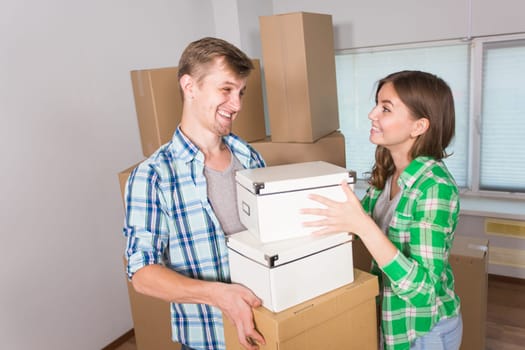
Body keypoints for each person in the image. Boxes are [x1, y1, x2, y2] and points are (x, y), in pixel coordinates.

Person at [123, 37, 266, 350]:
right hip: (209, 337)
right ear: (190, 86)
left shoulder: (251, 157)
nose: (238, 104)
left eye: (241, 92)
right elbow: (142, 273)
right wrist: (219, 295)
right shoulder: (153, 176)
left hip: (267, 325)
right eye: (226, 90)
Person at [302, 70, 463, 350]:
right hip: (390, 321)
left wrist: (362, 225)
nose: (372, 114)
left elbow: (423, 291)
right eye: (376, 104)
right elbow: (353, 222)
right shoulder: (389, 172)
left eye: (385, 108)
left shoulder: (435, 187)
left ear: (419, 126)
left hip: (423, 332)